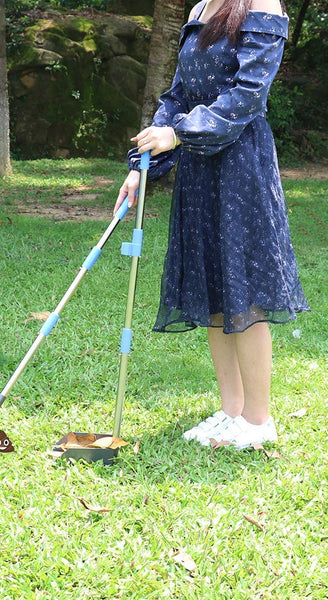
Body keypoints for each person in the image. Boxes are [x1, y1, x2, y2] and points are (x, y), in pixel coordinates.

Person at [115, 0, 309, 449]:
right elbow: (178, 96)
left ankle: (259, 421)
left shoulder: (261, 3)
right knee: (214, 285)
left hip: (242, 165)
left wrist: (179, 133)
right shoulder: (203, 4)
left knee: (245, 288)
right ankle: (232, 411)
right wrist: (142, 166)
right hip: (200, 168)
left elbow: (248, 95)